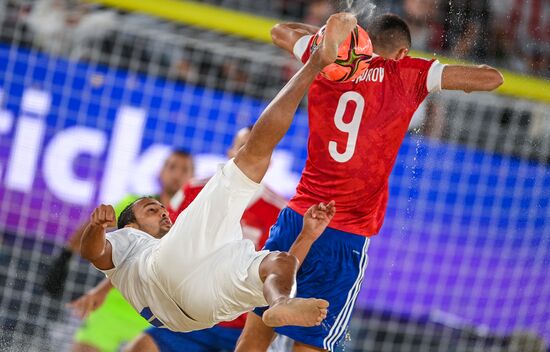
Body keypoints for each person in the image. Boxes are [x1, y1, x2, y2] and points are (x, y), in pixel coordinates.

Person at [236, 13, 504, 352]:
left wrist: (329, 39)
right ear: (403, 53)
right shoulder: (408, 73)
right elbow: (491, 79)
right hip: (346, 233)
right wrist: (432, 71)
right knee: (314, 345)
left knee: (253, 338)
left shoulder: (327, 59)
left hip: (297, 215)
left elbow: (279, 31)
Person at [78, 12, 356, 338]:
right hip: (175, 284)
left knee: (277, 263)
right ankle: (316, 62)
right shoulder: (130, 242)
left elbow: (285, 266)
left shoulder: (186, 234)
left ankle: (280, 302)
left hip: (201, 308)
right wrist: (97, 228)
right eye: (151, 210)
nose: (163, 210)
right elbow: (91, 252)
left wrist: (307, 235)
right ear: (131, 225)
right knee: (252, 156)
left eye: (160, 207)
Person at [77, 127, 287, 352]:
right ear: (230, 152)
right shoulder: (195, 190)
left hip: (239, 322)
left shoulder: (278, 211)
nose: (253, 149)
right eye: (243, 144)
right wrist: (103, 288)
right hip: (186, 312)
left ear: (270, 159)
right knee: (141, 347)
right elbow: (150, 248)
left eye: (259, 145)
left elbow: (278, 271)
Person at [48, 149, 194, 352]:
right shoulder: (136, 205)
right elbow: (94, 224)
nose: (177, 174)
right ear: (160, 172)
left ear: (192, 177)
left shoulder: (188, 218)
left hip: (153, 314)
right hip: (114, 304)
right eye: (172, 167)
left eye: (184, 169)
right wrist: (65, 256)